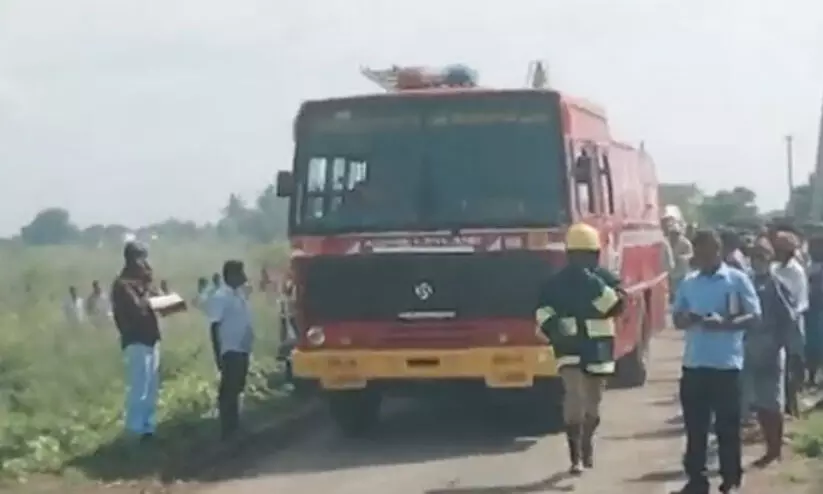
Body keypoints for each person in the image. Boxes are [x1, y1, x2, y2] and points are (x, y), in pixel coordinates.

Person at [671, 229, 761, 494]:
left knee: (727, 427)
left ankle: (730, 479)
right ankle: (696, 480)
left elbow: (755, 316)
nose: (704, 257)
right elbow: (677, 317)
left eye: (709, 251)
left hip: (726, 365)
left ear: (718, 251)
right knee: (695, 428)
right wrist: (686, 319)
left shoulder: (736, 279)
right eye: (700, 252)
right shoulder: (689, 282)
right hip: (695, 364)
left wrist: (726, 324)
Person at [535, 222, 626, 475]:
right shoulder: (554, 283)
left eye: (587, 255)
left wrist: (595, 285)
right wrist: (553, 327)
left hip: (599, 347)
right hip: (569, 347)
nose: (582, 261)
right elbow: (542, 311)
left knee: (593, 403)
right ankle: (575, 456)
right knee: (574, 395)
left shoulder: (606, 279)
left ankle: (587, 442)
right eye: (577, 255)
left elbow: (616, 307)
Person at [111, 241, 179, 440]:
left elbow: (156, 305)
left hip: (150, 339)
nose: (146, 264)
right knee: (139, 387)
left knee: (151, 387)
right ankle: (134, 430)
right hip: (136, 341)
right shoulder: (123, 285)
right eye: (143, 259)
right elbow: (138, 309)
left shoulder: (142, 284)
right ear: (134, 259)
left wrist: (162, 298)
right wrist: (148, 291)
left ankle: (148, 427)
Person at [742, 237, 793, 468]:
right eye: (754, 257)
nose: (757, 261)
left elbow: (789, 317)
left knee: (772, 402)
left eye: (761, 257)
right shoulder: (749, 282)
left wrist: (778, 344)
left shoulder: (776, 284)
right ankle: (769, 448)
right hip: (751, 347)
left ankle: (775, 449)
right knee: (760, 403)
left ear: (769, 258)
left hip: (771, 349)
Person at [208, 260, 254, 439]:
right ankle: (227, 430)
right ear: (231, 275)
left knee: (237, 387)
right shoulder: (221, 297)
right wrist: (218, 354)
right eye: (240, 273)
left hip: (241, 348)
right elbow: (214, 326)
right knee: (229, 390)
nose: (244, 277)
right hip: (230, 349)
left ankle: (235, 426)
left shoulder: (239, 295)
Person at [772, 231, 808, 416]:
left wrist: (791, 314)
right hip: (776, 323)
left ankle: (792, 403)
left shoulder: (796, 271)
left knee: (793, 363)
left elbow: (801, 300)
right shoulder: (774, 269)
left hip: (793, 321)